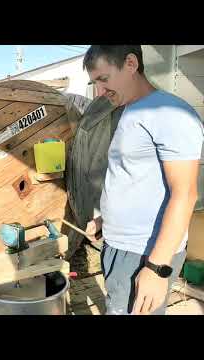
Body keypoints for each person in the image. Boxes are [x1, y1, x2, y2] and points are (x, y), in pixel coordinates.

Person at [83, 45, 204, 315]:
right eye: (94, 83)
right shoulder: (131, 109)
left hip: (143, 254)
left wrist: (157, 269)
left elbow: (185, 195)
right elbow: (137, 179)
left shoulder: (170, 114)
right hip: (123, 246)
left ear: (130, 63)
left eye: (103, 79)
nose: (100, 91)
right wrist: (107, 221)